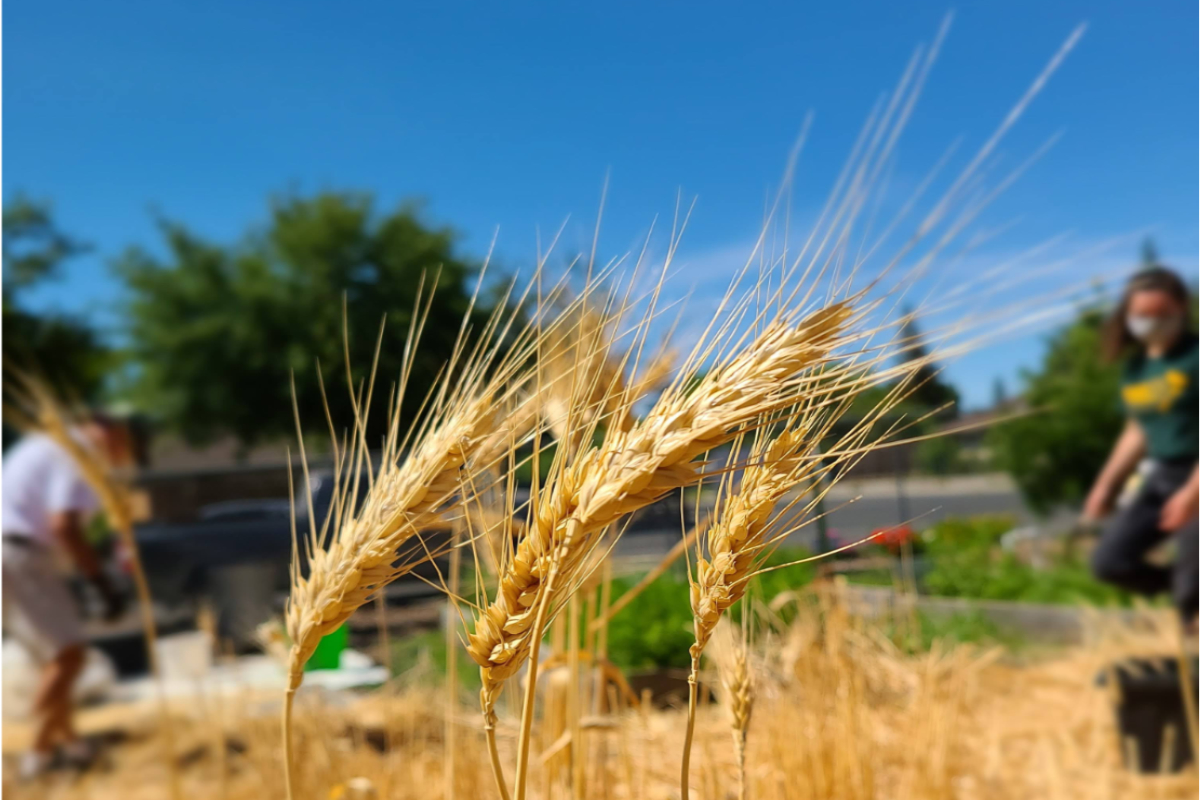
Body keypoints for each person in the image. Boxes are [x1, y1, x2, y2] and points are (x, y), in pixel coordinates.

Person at [2, 414, 127, 779]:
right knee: (68, 656)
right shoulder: (77, 453)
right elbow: (64, 526)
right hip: (21, 555)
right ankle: (34, 757)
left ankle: (73, 745)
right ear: (106, 431)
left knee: (50, 662)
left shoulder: (43, 446)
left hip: (8, 554)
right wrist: (101, 582)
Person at [1084, 266, 1198, 629]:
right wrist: (1105, 487)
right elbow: (1137, 430)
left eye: (1161, 315)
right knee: (1109, 562)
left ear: (1181, 309)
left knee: (1192, 583)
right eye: (1142, 315)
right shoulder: (1136, 368)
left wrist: (1193, 493)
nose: (1152, 323)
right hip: (1162, 476)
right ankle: (1185, 598)